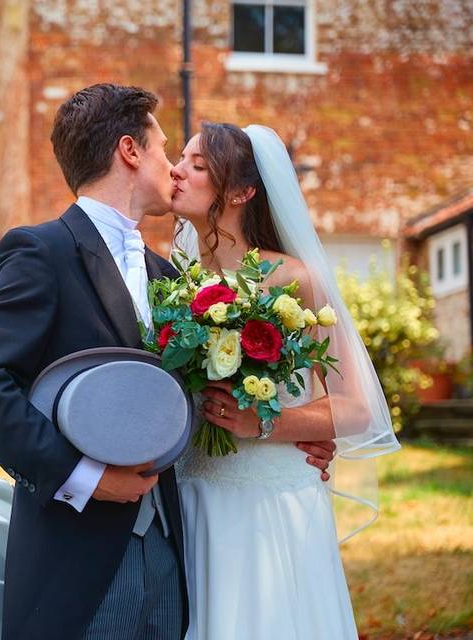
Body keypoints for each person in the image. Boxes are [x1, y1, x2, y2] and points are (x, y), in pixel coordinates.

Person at [0, 84, 335, 640]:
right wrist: (85, 478)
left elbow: (194, 391)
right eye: (163, 150)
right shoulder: (40, 251)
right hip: (79, 563)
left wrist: (295, 430)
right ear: (130, 152)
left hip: (176, 555)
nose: (173, 168)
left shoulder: (171, 279)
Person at [168, 122, 399, 639]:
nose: (176, 171)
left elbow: (356, 408)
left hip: (269, 501)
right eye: (180, 159)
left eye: (197, 165)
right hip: (193, 497)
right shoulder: (173, 281)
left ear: (242, 191)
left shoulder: (292, 279)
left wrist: (265, 423)